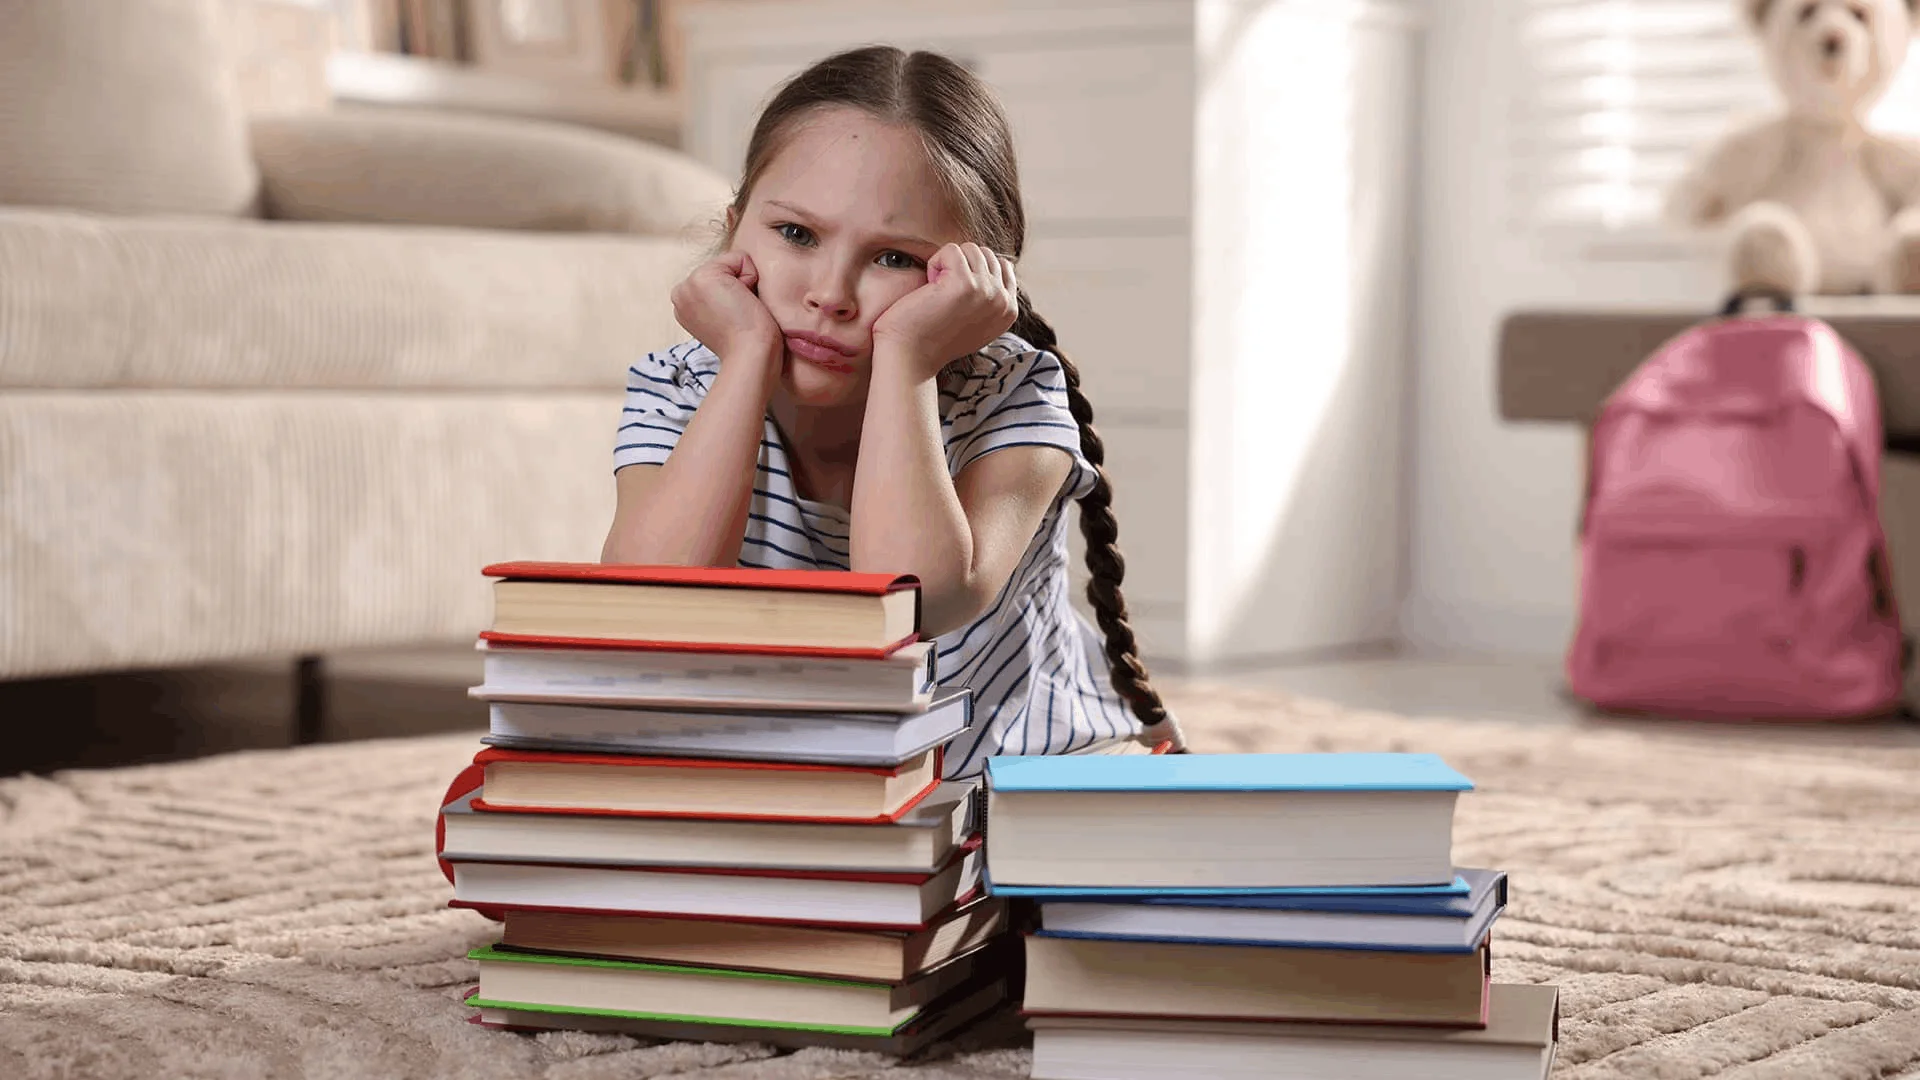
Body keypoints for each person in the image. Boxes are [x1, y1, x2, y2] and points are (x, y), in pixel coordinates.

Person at [601, 44, 1186, 777]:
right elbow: (646, 608)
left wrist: (908, 358)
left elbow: (913, 603)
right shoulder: (682, 385)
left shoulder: (1013, 393)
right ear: (733, 228)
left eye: (894, 259)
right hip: (803, 791)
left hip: (1000, 785)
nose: (831, 293)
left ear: (977, 281)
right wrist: (747, 361)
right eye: (795, 234)